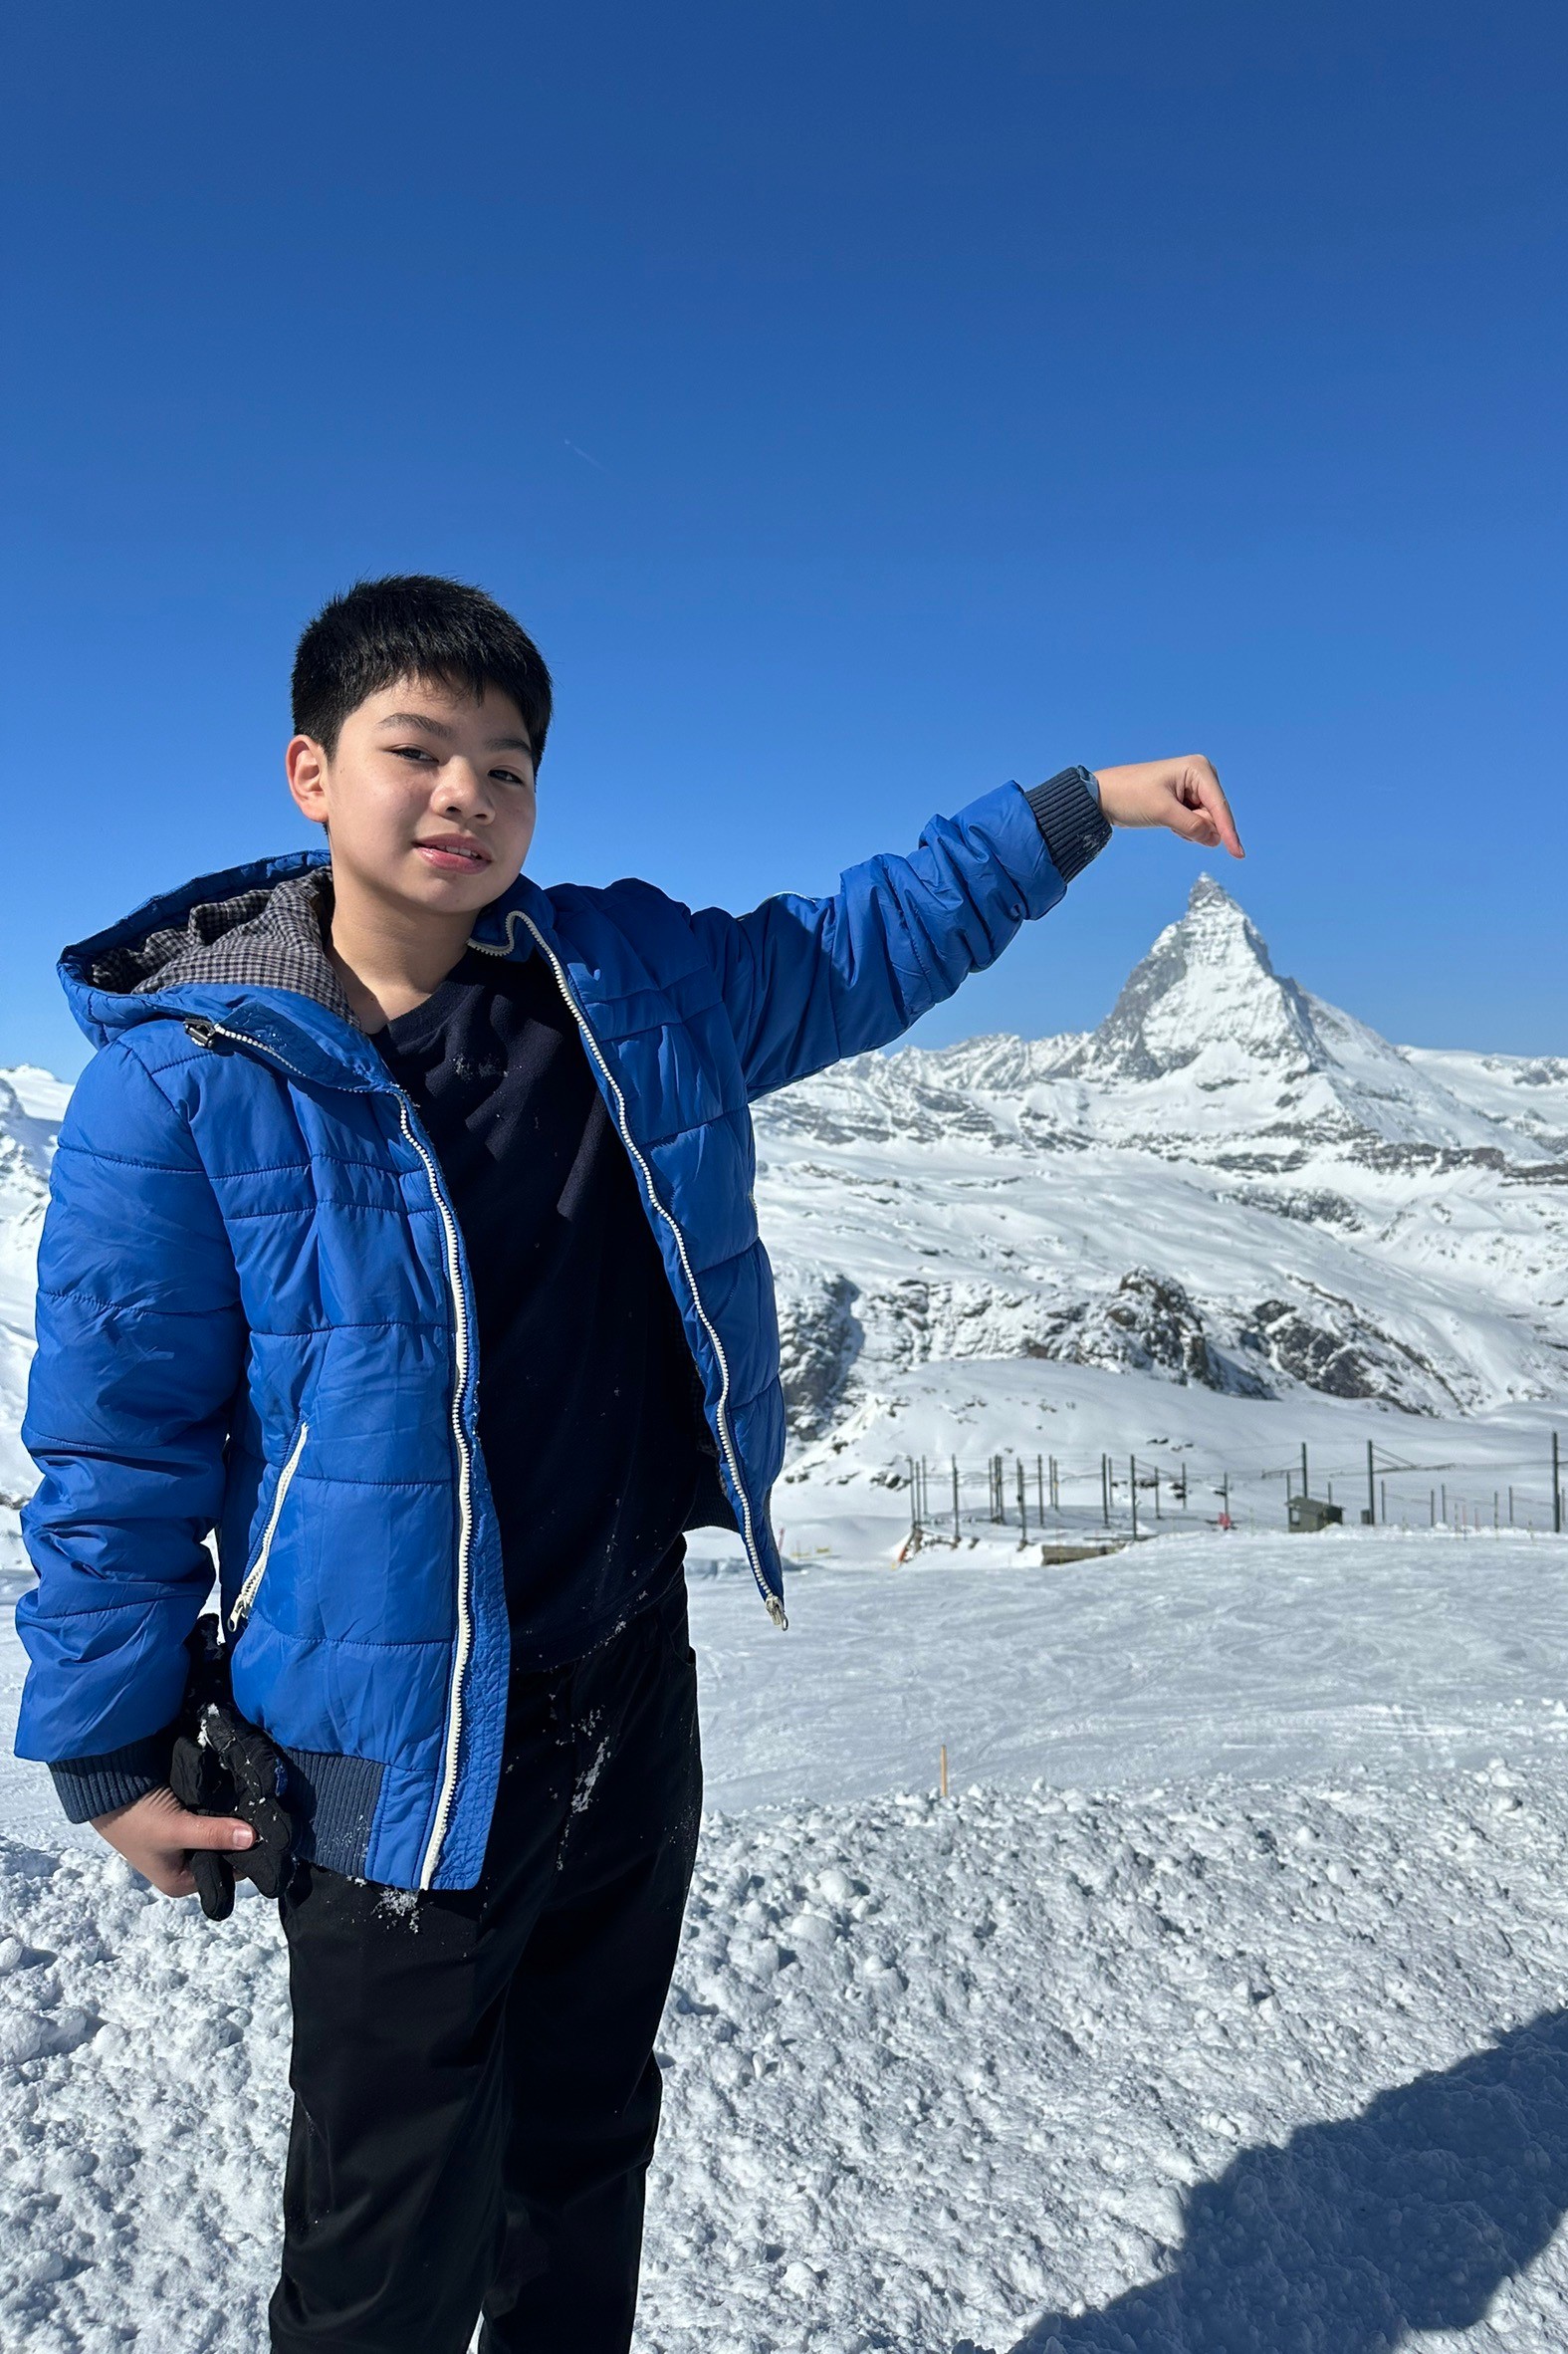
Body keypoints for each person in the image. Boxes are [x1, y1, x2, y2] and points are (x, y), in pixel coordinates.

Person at [11, 574, 1242, 2352]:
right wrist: (107, 1744)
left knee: (585, 2150)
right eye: (416, 752)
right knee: (384, 2221)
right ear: (311, 773)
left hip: (621, 1677)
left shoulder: (625, 988)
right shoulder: (189, 1079)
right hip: (376, 1732)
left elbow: (859, 946)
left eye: (506, 766)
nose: (464, 796)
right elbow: (116, 1436)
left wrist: (1079, 810)